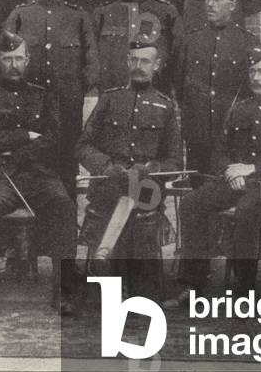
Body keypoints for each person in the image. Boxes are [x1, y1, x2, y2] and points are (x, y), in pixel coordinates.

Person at [165, 46, 261, 306]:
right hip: (236, 181)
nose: (255, 77)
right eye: (252, 72)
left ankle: (244, 291)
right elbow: (219, 152)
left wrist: (252, 170)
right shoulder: (239, 109)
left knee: (246, 211)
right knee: (191, 204)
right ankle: (192, 285)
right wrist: (230, 171)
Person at [0, 31, 79, 319]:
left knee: (64, 205)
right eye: (7, 59)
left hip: (40, 175)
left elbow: (54, 139)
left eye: (19, 58)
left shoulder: (44, 96)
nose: (14, 64)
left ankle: (63, 288)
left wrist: (14, 151)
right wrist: (25, 135)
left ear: (27, 60)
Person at [77, 35, 183, 301]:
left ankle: (141, 286)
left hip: (146, 190)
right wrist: (106, 165)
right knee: (102, 296)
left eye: (145, 61)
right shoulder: (110, 100)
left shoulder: (165, 106)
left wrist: (152, 167)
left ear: (156, 65)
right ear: (126, 62)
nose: (138, 66)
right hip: (109, 186)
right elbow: (83, 146)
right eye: (134, 60)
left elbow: (175, 163)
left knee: (145, 291)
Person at [4, 0, 99, 194]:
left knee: (66, 176)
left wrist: (75, 95)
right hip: (26, 112)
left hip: (67, 113)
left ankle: (66, 233)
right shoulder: (20, 15)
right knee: (25, 175)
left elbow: (91, 67)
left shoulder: (78, 18)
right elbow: (5, 62)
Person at [174, 0, 259, 179]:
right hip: (198, 132)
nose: (210, 4)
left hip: (231, 132)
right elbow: (180, 86)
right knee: (197, 188)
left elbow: (251, 90)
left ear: (232, 5)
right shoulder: (191, 41)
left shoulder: (248, 43)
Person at [92, 0, 181, 94]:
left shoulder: (166, 12)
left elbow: (178, 59)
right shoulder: (103, 13)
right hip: (113, 98)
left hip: (154, 98)